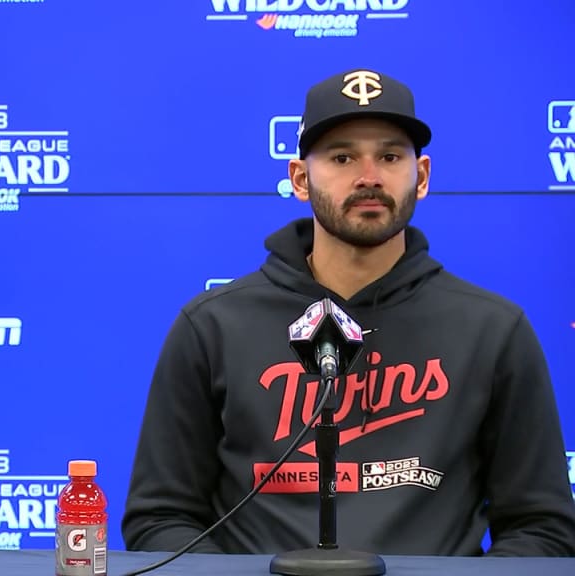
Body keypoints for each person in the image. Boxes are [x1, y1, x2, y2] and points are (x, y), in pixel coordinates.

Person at [121, 69, 575, 557]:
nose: (369, 177)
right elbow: (160, 518)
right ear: (300, 178)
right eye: (342, 157)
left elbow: (542, 528)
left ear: (420, 177)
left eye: (389, 156)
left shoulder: (493, 330)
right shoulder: (213, 326)